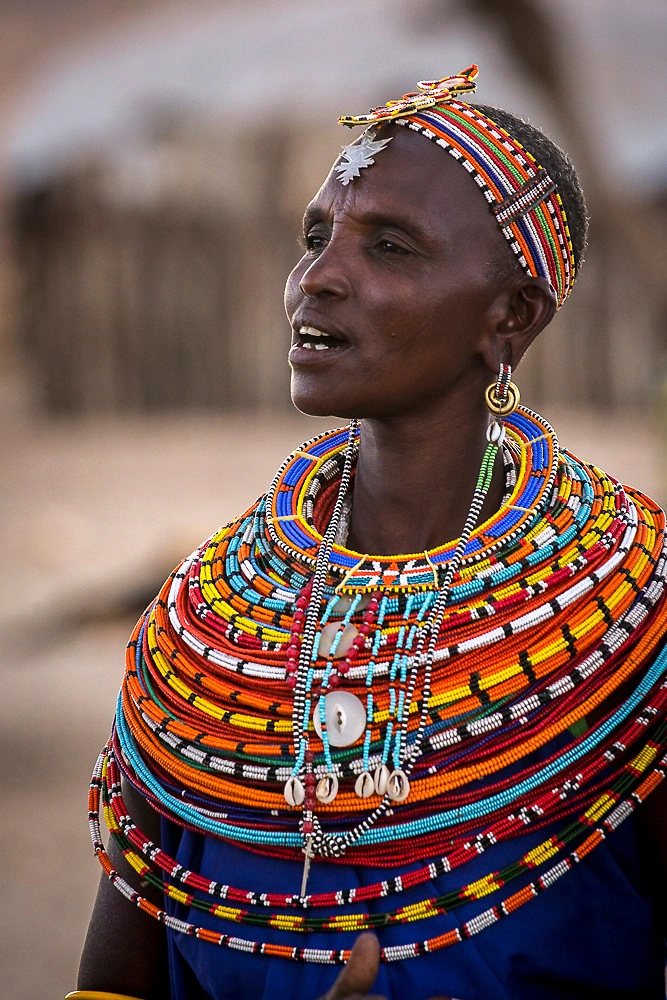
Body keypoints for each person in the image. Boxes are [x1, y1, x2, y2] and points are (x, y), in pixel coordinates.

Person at [71, 66, 667, 1000]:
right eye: (316, 238)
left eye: (390, 246)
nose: (319, 279)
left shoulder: (634, 618)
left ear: (510, 315)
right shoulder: (206, 627)